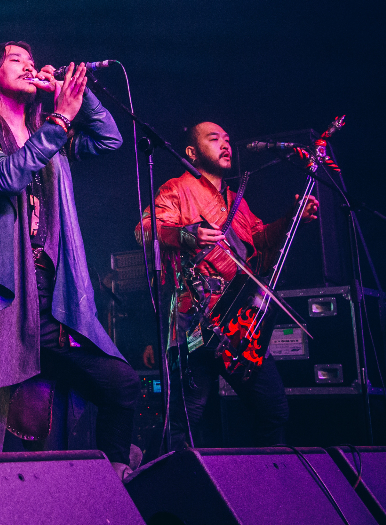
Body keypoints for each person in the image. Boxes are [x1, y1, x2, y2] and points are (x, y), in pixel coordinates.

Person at [0, 41, 140, 479]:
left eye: (32, 61)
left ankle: (114, 484)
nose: (29, 66)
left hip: (51, 296)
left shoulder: (51, 137)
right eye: (16, 60)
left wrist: (70, 92)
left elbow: (110, 138)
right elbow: (5, 175)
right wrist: (59, 118)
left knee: (122, 385)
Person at [135, 121, 317, 449]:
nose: (225, 144)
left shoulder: (236, 199)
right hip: (195, 318)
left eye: (228, 139)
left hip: (236, 319)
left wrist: (291, 217)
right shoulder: (176, 188)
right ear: (192, 152)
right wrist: (185, 234)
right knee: (187, 417)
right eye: (214, 138)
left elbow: (259, 241)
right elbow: (145, 229)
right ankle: (164, 485)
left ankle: (264, 485)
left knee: (273, 409)